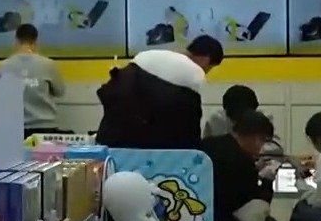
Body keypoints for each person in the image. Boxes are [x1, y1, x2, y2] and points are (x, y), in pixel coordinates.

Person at [95, 35, 224, 149]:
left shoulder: (148, 57)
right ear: (206, 59)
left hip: (113, 138)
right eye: (210, 68)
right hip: (153, 148)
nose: (206, 72)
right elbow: (188, 125)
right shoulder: (193, 74)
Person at [0, 24, 66, 139]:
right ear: (36, 41)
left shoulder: (3, 66)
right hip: (45, 127)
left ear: (16, 40)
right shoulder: (48, 64)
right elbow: (60, 92)